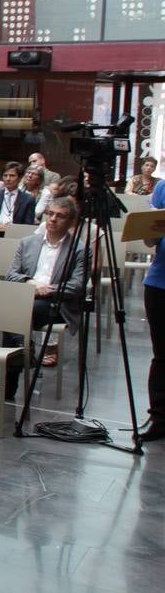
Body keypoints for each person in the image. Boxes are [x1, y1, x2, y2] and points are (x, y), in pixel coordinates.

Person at [0, 198, 89, 402]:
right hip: (26, 297)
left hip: (57, 303)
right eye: (51, 213)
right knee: (15, 311)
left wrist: (47, 290)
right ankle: (23, 351)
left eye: (60, 216)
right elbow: (12, 274)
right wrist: (30, 283)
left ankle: (12, 375)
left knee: (13, 314)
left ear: (72, 222)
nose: (53, 219)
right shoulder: (28, 242)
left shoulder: (79, 249)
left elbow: (77, 285)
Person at [144, 175, 165, 442]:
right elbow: (150, 242)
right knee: (162, 355)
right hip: (160, 281)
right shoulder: (162, 187)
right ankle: (160, 418)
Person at [0, 161, 37, 229]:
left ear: (20, 178)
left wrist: (10, 228)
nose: (8, 179)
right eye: (5, 175)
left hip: (15, 234)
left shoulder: (28, 199)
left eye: (12, 176)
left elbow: (28, 225)